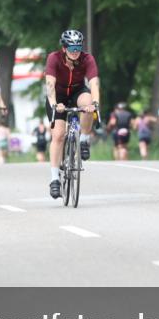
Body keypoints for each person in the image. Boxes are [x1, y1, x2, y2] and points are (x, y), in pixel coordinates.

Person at [45, 29, 101, 198]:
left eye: (78, 48)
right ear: (64, 48)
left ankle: (83, 139)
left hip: (78, 92)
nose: (75, 51)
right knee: (58, 135)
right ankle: (55, 179)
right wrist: (55, 104)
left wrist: (95, 104)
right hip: (58, 96)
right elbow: (50, 85)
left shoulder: (87, 59)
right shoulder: (54, 58)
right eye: (71, 48)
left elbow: (94, 83)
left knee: (88, 103)